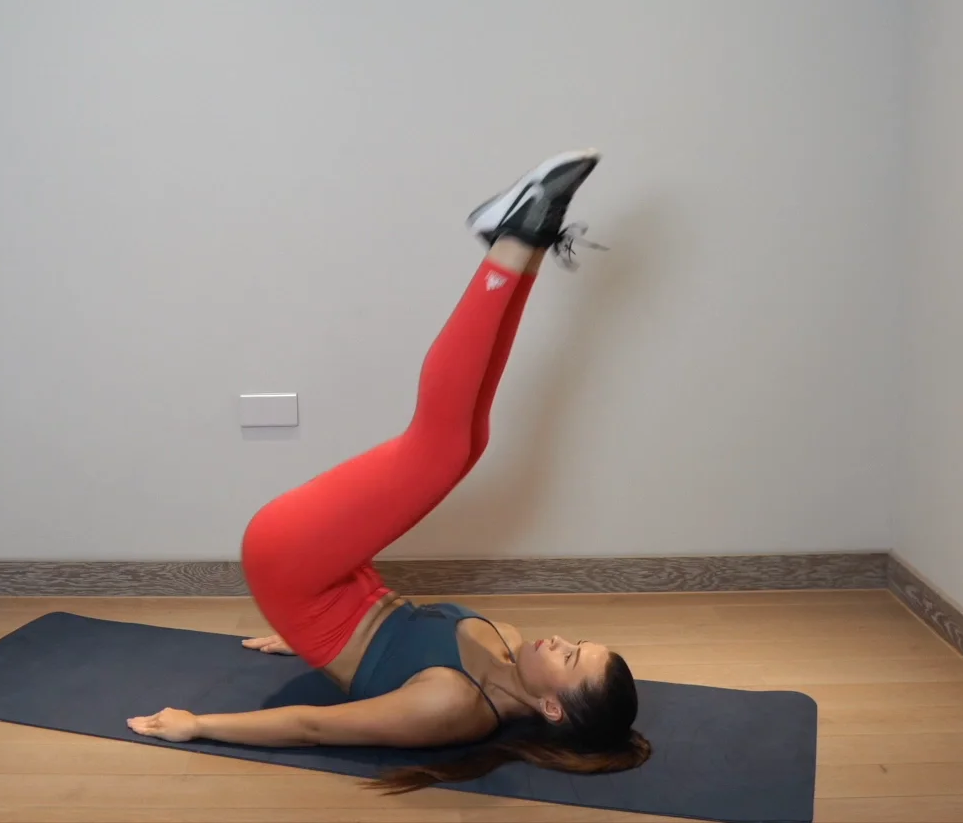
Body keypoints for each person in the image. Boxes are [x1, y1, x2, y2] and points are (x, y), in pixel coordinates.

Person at [128, 150, 651, 793]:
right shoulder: (506, 640)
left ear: (552, 708)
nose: (560, 640)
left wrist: (199, 725)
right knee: (470, 440)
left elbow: (314, 727)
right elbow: (387, 639)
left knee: (439, 450)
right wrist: (306, 639)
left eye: (570, 658)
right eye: (577, 642)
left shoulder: (452, 708)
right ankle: (528, 243)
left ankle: (512, 241)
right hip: (337, 579)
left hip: (294, 572)